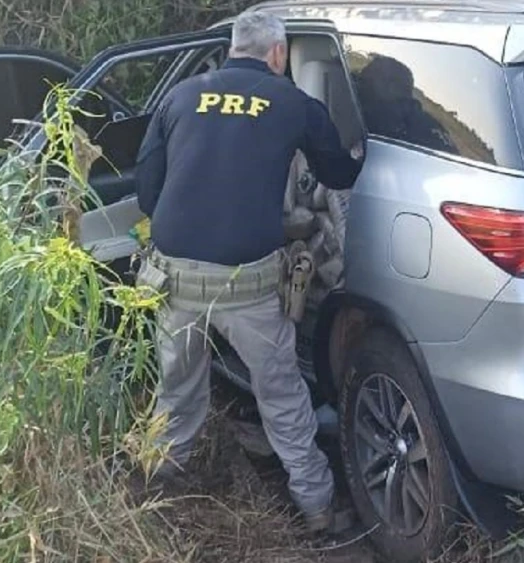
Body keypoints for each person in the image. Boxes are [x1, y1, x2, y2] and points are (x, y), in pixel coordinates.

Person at [133, 10, 362, 536]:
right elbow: (337, 172)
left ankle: (149, 494)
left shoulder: (181, 95)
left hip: (174, 278)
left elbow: (147, 191)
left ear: (233, 47)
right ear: (279, 54)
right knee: (281, 396)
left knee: (176, 391)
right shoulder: (293, 103)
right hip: (247, 286)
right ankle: (318, 508)